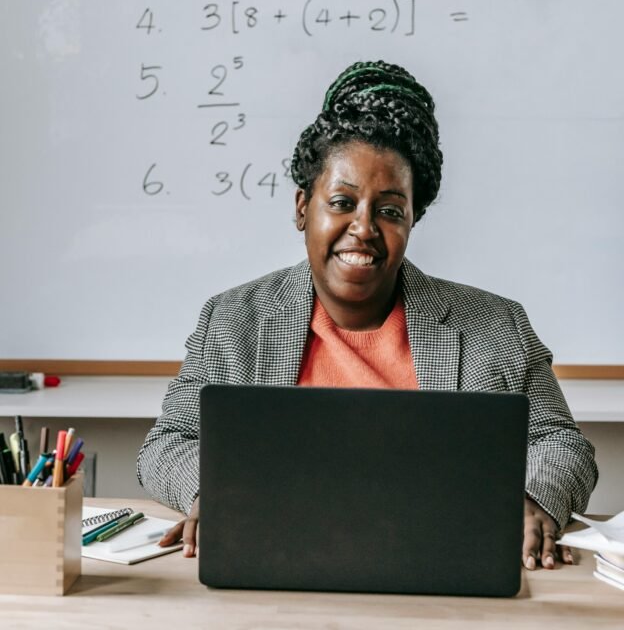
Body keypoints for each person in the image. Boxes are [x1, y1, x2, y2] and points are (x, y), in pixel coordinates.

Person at [137, 60, 597, 569]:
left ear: (412, 220)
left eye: (390, 210)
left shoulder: (494, 326)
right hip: (279, 563)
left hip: (441, 567)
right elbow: (169, 442)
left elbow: (561, 444)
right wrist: (213, 492)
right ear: (301, 207)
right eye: (342, 201)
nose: (364, 228)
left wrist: (532, 501)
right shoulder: (233, 320)